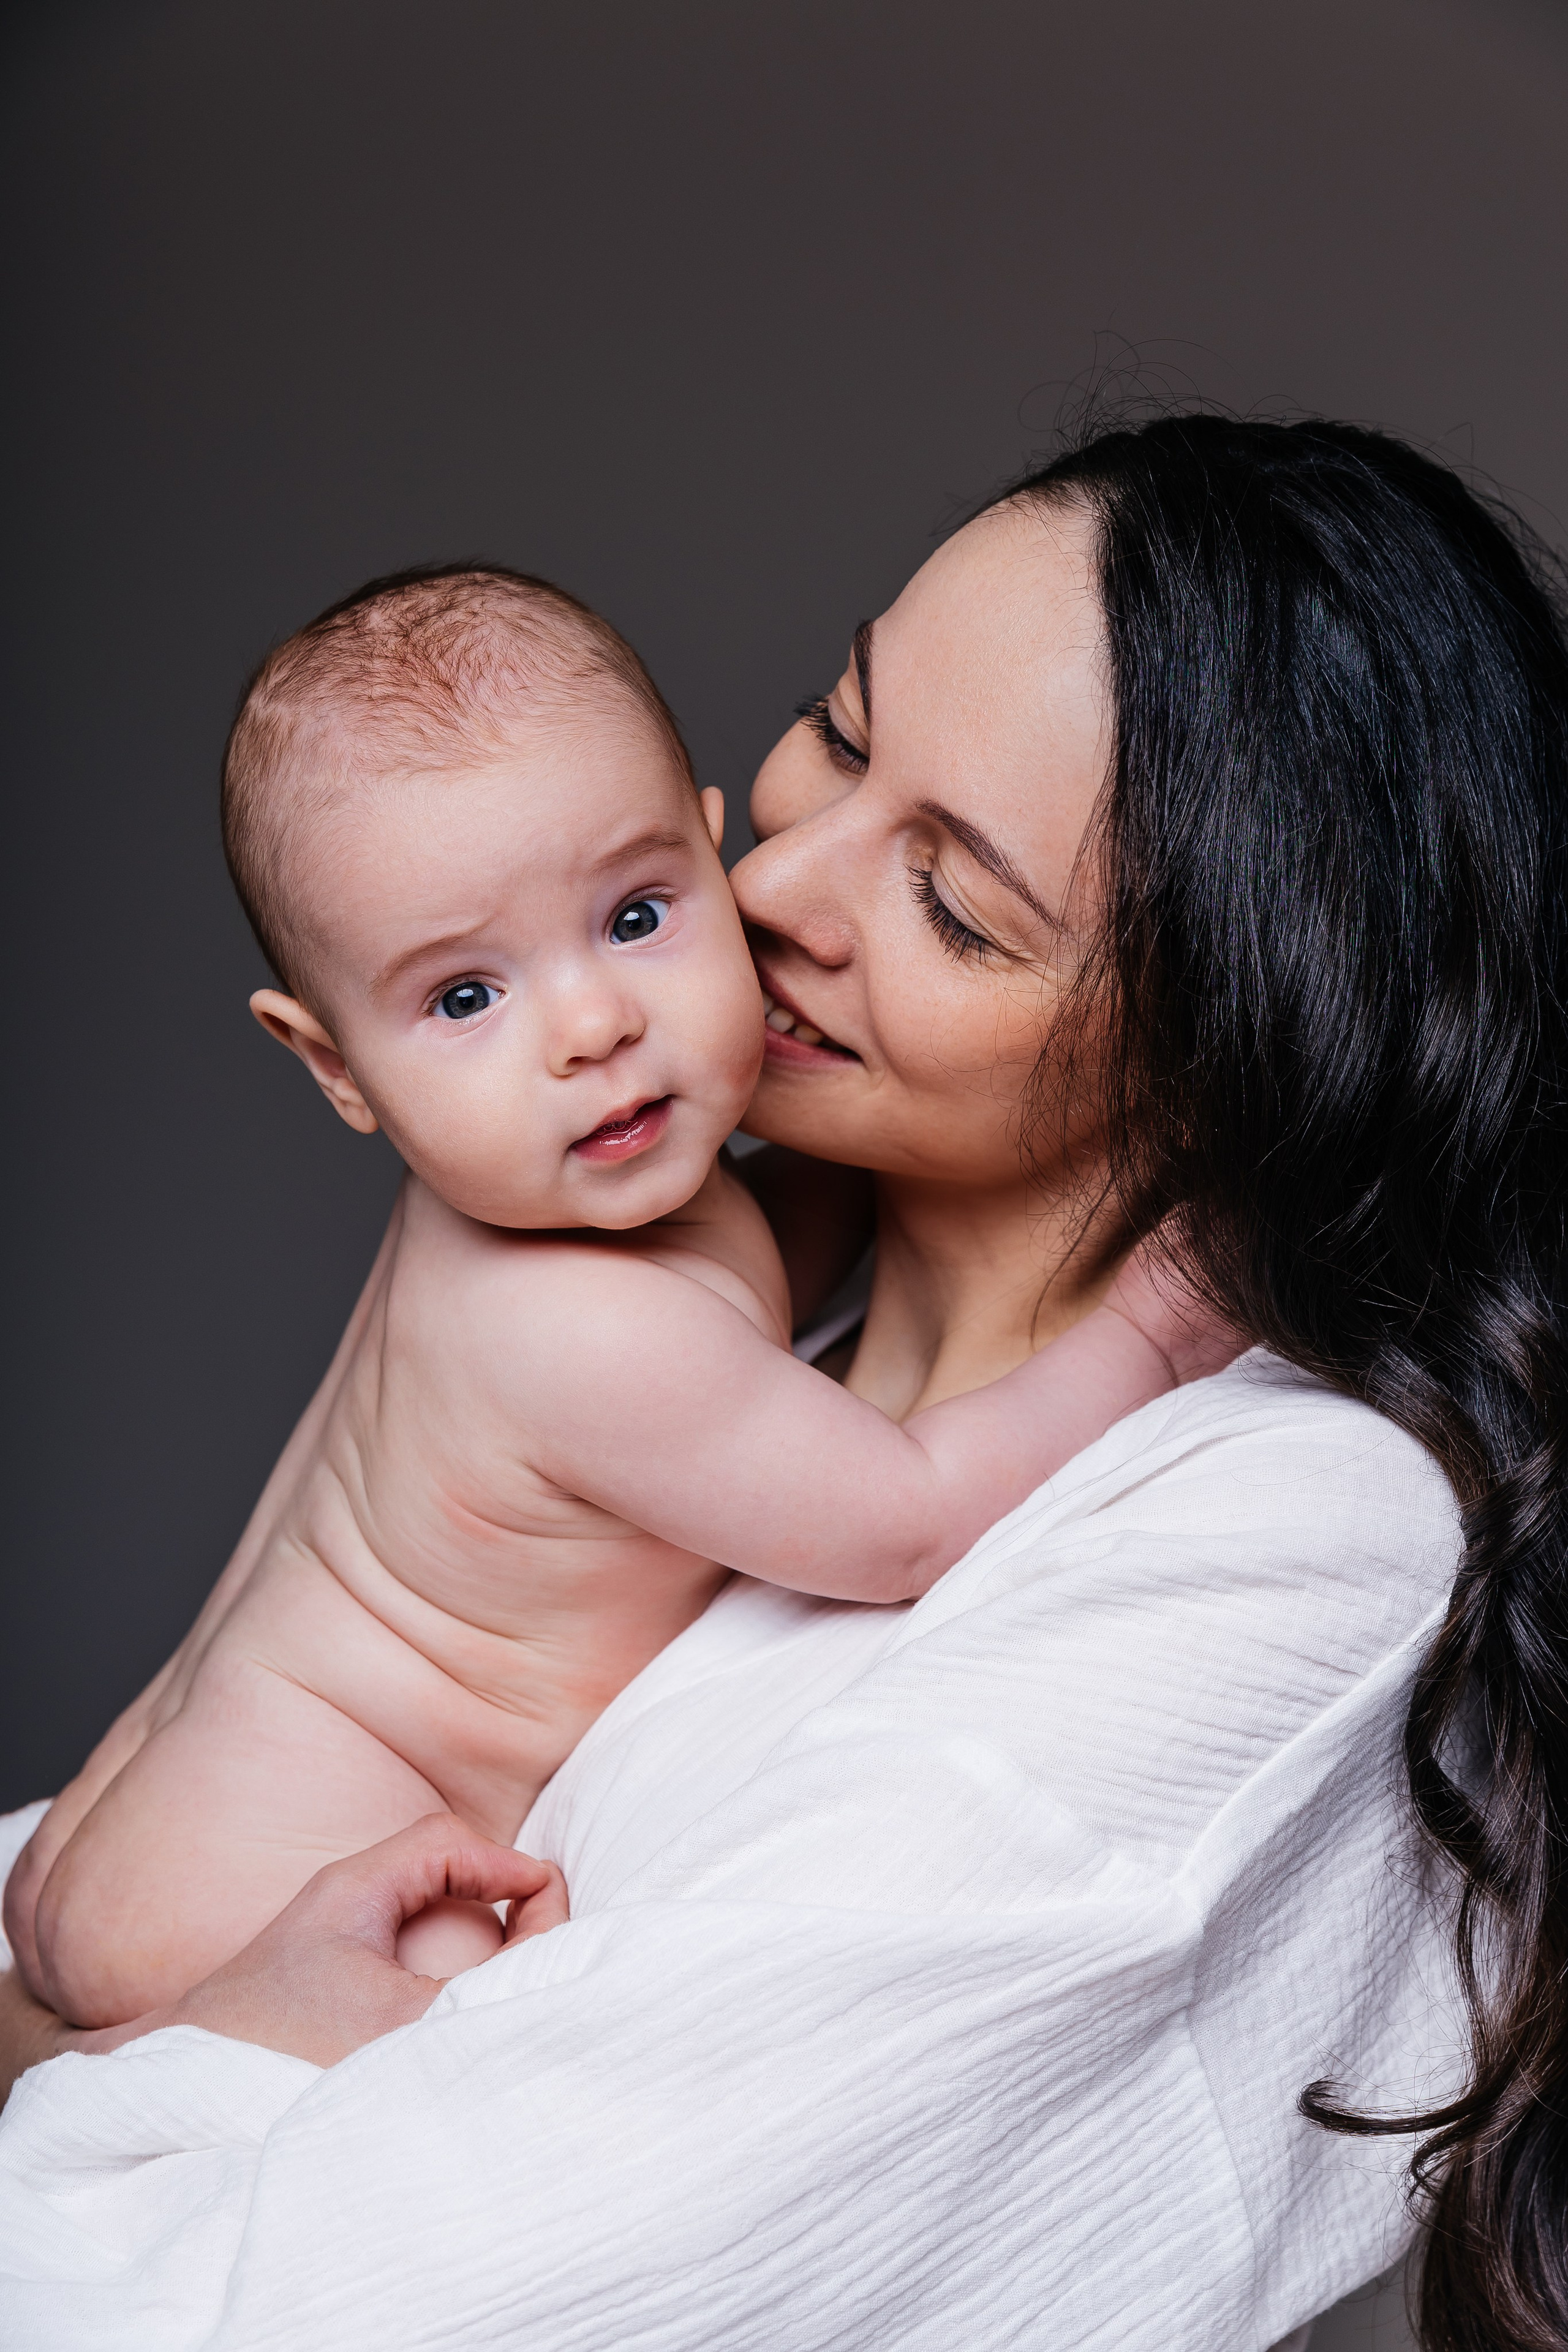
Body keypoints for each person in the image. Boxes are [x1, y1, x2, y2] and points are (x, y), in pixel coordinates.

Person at [1, 412, 1564, 2352]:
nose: (780, 881)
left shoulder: (1277, 1545)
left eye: (958, 903)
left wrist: (56, 2065)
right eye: (838, 723)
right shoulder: (703, 1286)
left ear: (1248, 1045)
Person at [2, 563, 1215, 2029]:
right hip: (259, 1864)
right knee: (452, 2021)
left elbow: (757, 1249)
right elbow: (904, 1517)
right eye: (465, 997)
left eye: (637, 917)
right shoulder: (583, 1332)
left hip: (148, 1794)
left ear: (713, 868)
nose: (592, 1026)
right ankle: (143, 2051)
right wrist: (1150, 1325)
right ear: (333, 1067)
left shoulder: (529, 1193)